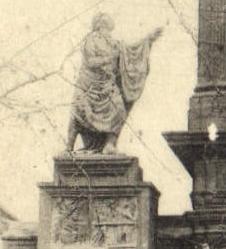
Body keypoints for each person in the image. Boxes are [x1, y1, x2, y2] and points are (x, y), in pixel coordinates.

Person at [65, 14, 162, 153]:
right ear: (99, 27)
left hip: (107, 86)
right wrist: (110, 58)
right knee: (78, 114)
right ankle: (69, 146)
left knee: (119, 109)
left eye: (109, 29)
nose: (109, 32)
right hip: (87, 86)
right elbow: (91, 61)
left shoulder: (112, 43)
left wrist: (148, 40)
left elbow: (130, 50)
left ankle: (109, 144)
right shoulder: (90, 40)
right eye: (106, 28)